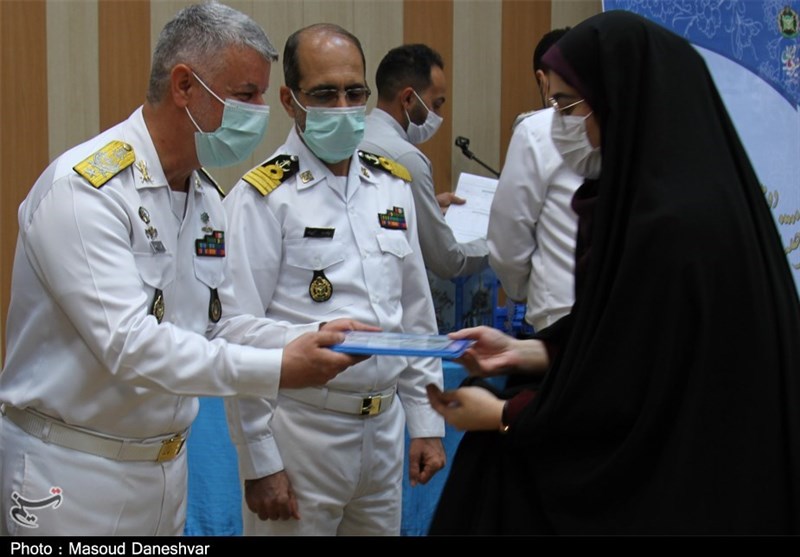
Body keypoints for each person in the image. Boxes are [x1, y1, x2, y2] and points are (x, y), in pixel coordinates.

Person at [0, 2, 371, 536]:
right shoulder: (87, 191)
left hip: (165, 471)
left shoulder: (203, 197)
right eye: (246, 95)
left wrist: (312, 334)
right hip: (70, 472)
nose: (261, 112)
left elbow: (216, 327)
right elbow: (130, 345)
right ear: (184, 87)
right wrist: (278, 367)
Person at [426, 10, 800, 535]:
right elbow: (629, 340)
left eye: (569, 106)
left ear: (623, 100)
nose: (563, 125)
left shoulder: (670, 225)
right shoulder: (674, 200)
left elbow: (628, 387)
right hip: (693, 462)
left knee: (495, 480)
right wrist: (527, 352)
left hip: (686, 476)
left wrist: (503, 417)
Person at [220, 24, 446, 536]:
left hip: (384, 431)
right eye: (324, 94)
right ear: (290, 100)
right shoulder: (263, 198)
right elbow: (235, 334)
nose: (343, 107)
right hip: (302, 431)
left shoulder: (390, 185)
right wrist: (260, 459)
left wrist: (426, 421)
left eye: (354, 92)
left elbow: (414, 314)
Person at [360, 44, 488, 280]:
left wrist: (424, 207)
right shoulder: (407, 160)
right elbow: (449, 262)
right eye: (436, 104)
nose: (439, 116)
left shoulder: (357, 135)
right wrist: (498, 243)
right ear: (408, 99)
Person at [488, 28, 581, 334]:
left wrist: (520, 290)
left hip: (559, 313)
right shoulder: (634, 125)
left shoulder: (535, 130)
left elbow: (508, 241)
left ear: (543, 80)